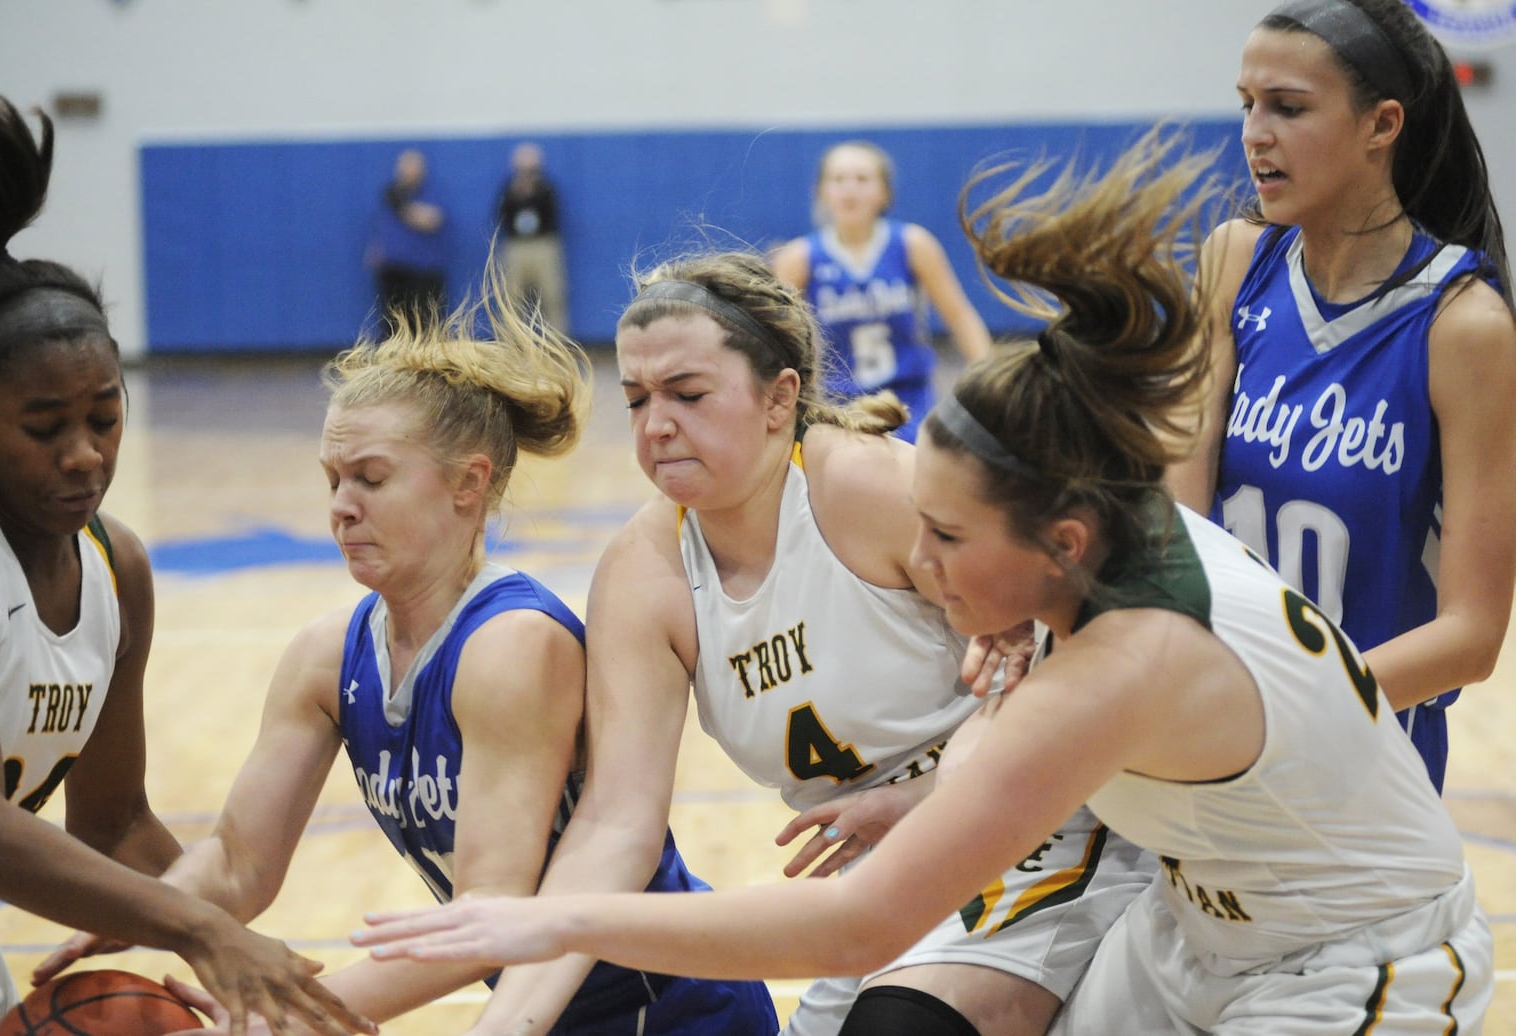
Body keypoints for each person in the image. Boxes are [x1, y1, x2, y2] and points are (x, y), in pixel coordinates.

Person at [353, 127, 1494, 1034]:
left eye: (945, 537)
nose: (926, 564)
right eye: (637, 396)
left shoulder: (1100, 644)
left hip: (1346, 946)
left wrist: (542, 921)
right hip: (1182, 926)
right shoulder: (1088, 571)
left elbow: (862, 916)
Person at [32, 268, 779, 1035]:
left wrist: (278, 1015)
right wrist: (159, 912)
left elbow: (487, 912)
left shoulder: (512, 645)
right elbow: (237, 861)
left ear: (467, 485)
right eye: (332, 480)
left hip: (673, 1007)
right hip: (546, 1011)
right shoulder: (326, 656)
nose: (341, 506)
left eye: (371, 478)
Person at [450, 249, 1152, 1036]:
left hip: (1031, 819)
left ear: (780, 397)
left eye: (688, 394)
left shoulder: (863, 486)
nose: (658, 424)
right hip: (883, 884)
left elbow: (1087, 664)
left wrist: (927, 797)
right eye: (638, 399)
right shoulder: (641, 576)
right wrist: (510, 1021)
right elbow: (616, 822)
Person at [0, 76, 372, 1036]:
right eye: (44, 426)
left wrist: (259, 973)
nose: (84, 453)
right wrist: (200, 931)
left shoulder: (117, 567)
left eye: (104, 416)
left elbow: (113, 823)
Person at [1168, 0, 1516, 794]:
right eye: (1247, 105)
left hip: (1362, 764)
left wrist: (1282, 707)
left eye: (1288, 108)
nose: (1256, 132)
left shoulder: (1463, 324)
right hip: (1214, 737)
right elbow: (1176, 528)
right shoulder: (1234, 260)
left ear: (1381, 125)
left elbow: (1471, 636)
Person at [772, 140, 993, 442]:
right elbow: (777, 340)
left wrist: (992, 383)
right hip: (835, 407)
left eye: (862, 179)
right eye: (838, 180)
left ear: (884, 193)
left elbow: (960, 317)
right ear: (822, 192)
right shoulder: (799, 257)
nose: (850, 190)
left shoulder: (914, 245)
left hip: (909, 402)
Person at [363, 148, 449, 337]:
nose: (408, 172)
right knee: (392, 319)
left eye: (413, 167)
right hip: (393, 269)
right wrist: (377, 248)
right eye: (404, 167)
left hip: (423, 270)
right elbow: (382, 225)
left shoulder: (430, 192)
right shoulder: (390, 193)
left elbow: (431, 220)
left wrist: (403, 207)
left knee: (425, 321)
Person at [495, 142, 569, 335]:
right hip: (516, 247)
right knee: (512, 298)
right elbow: (500, 216)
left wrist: (533, 193)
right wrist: (517, 194)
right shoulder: (508, 189)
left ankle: (557, 343)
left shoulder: (547, 189)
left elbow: (553, 215)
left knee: (552, 296)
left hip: (543, 245)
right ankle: (511, 344)